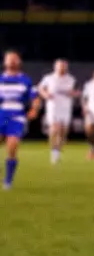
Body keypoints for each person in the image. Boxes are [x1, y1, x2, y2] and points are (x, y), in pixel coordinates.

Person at [0, 50, 41, 189]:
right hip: (2, 114)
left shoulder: (25, 80)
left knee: (12, 146)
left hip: (16, 116)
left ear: (19, 62)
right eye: (9, 59)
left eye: (14, 58)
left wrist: (34, 109)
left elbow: (35, 98)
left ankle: (8, 180)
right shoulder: (1, 79)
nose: (12, 61)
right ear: (5, 62)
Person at [38, 59, 79, 165]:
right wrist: (45, 94)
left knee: (63, 132)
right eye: (60, 66)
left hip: (65, 108)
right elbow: (40, 88)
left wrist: (73, 93)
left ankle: (57, 151)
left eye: (64, 66)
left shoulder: (71, 79)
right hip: (53, 107)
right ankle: (53, 151)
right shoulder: (48, 78)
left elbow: (78, 92)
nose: (62, 68)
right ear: (55, 67)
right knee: (54, 129)